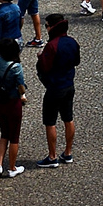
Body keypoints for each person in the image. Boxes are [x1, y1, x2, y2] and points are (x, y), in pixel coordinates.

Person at [36, 13, 80, 167]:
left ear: (52, 27)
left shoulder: (52, 46)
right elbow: (77, 61)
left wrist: (40, 57)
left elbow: (45, 67)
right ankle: (68, 153)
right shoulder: (72, 42)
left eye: (46, 25)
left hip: (55, 88)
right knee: (68, 118)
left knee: (50, 122)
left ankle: (52, 156)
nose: (46, 28)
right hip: (69, 85)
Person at [0, 36, 27, 178]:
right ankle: (12, 167)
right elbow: (21, 86)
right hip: (13, 102)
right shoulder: (15, 67)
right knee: (14, 136)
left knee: (4, 133)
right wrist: (23, 95)